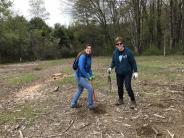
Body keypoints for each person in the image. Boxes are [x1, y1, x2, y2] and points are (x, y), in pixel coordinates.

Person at [107, 36, 138, 108]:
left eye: (120, 43)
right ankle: (120, 99)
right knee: (119, 87)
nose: (119, 45)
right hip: (119, 73)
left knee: (128, 87)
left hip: (127, 73)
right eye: (117, 44)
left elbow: (133, 62)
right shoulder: (115, 53)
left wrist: (135, 72)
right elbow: (113, 62)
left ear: (123, 44)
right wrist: (110, 67)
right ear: (116, 45)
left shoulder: (128, 52)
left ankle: (133, 101)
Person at [71, 44, 95, 110]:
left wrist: (91, 75)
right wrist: (88, 76)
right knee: (90, 88)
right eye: (87, 48)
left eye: (90, 48)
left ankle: (73, 103)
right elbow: (81, 68)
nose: (89, 49)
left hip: (81, 76)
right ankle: (90, 104)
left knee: (80, 90)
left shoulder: (89, 56)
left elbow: (89, 68)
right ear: (85, 49)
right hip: (78, 76)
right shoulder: (83, 56)